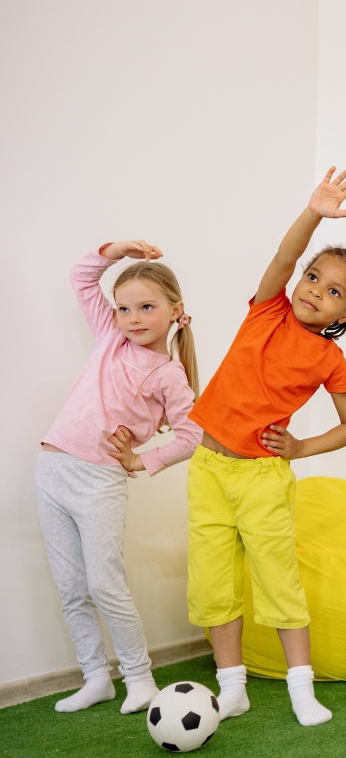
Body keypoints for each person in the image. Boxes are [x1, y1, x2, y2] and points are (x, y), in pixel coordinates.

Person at [185, 167, 346, 727]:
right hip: (208, 468)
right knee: (213, 582)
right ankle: (232, 686)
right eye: (315, 278)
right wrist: (314, 211)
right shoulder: (267, 309)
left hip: (262, 478)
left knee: (277, 580)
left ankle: (300, 690)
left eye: (334, 291)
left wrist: (299, 447)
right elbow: (283, 260)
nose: (315, 290)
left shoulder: (330, 360)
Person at [39, 241, 201, 714]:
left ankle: (139, 678)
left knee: (104, 583)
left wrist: (142, 461)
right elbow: (82, 276)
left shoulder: (168, 373)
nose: (132, 318)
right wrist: (116, 251)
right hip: (51, 468)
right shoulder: (110, 338)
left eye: (146, 307)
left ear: (175, 311)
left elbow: (193, 434)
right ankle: (96, 677)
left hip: (97, 480)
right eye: (125, 308)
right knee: (71, 586)